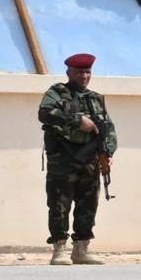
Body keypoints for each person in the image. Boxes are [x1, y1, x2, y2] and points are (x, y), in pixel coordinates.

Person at [37, 52, 116, 263]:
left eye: (87, 71)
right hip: (63, 159)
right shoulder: (57, 93)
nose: (84, 76)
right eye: (80, 72)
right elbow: (45, 113)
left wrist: (107, 152)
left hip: (90, 161)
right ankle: (59, 250)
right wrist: (78, 121)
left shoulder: (95, 99)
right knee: (59, 204)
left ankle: (81, 249)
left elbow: (107, 127)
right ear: (69, 72)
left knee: (88, 204)